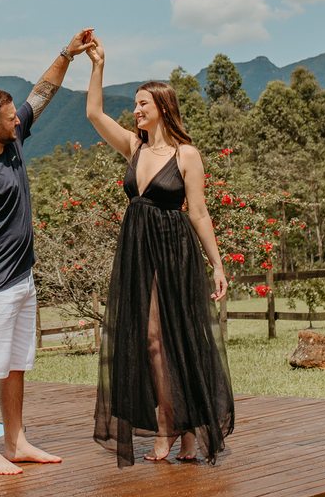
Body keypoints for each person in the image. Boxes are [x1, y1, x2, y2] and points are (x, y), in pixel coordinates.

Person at [84, 33, 234, 467]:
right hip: (137, 249)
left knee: (178, 339)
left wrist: (218, 264)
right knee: (149, 340)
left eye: (142, 104)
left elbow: (200, 213)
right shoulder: (133, 147)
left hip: (175, 250)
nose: (135, 110)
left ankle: (183, 433)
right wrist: (98, 65)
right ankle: (169, 424)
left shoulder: (187, 154)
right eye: (134, 104)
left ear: (163, 107)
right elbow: (94, 112)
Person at [0, 29, 93, 475]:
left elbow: (42, 94)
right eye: (12, 119)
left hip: (21, 277)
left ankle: (15, 441)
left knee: (14, 365)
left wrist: (67, 54)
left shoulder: (12, 142)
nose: (20, 121)